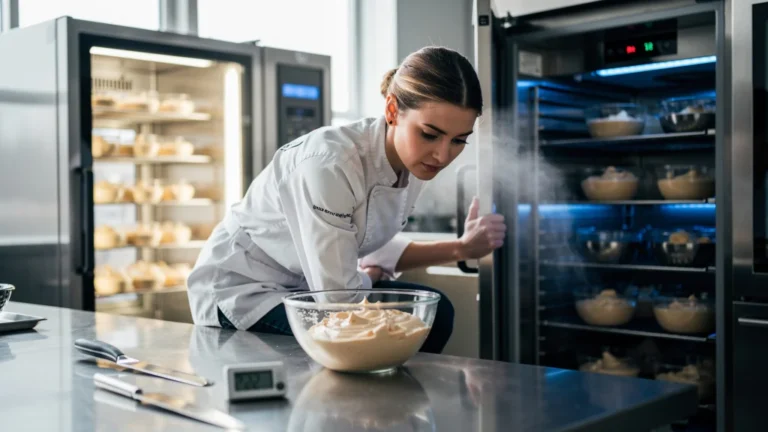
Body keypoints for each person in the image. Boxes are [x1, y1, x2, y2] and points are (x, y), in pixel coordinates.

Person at [187, 46, 506, 354]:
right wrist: (369, 278)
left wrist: (461, 248)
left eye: (459, 141)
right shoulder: (330, 163)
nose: (442, 154)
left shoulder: (412, 162)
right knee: (368, 339)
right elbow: (339, 297)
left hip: (306, 289)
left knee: (436, 313)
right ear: (393, 110)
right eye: (429, 134)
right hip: (246, 291)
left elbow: (366, 238)